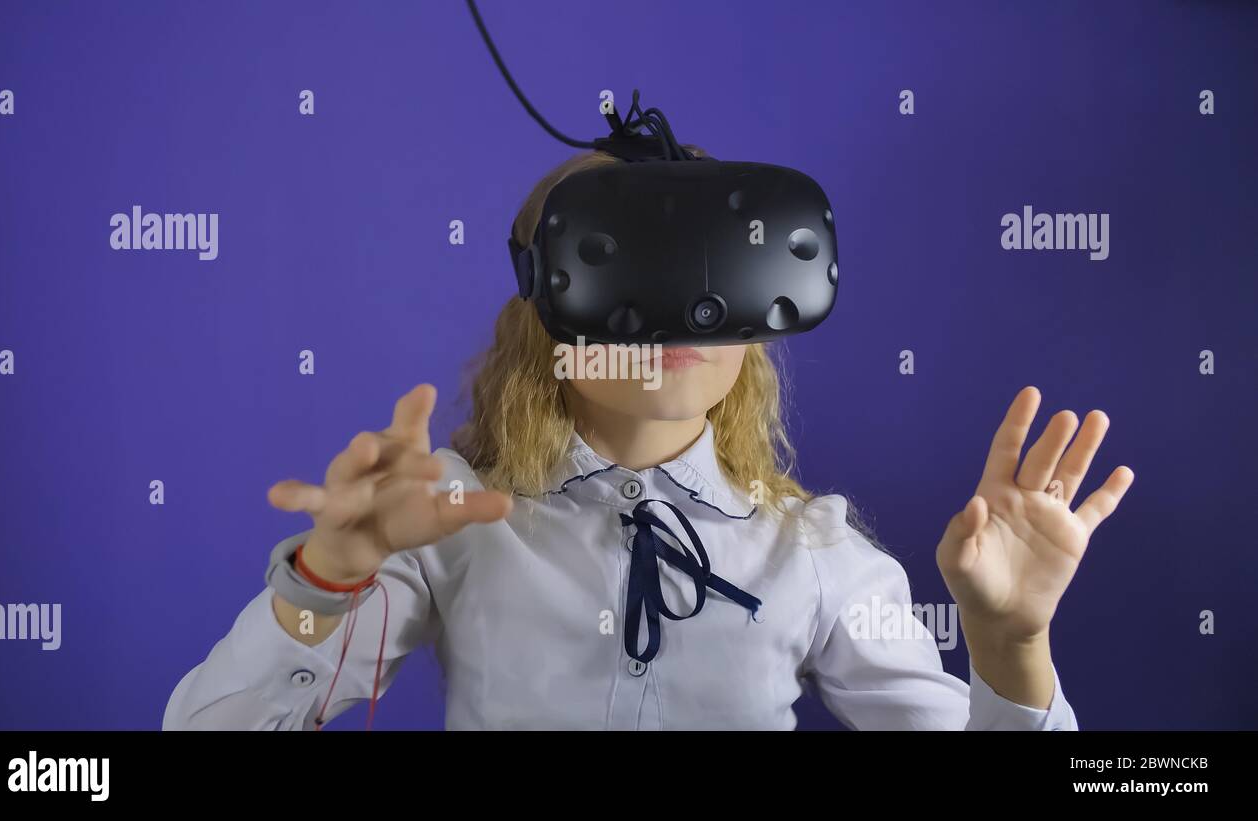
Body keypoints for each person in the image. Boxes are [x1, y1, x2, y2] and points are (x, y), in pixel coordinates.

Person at [163, 148, 1134, 730]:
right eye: (627, 273)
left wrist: (1011, 644)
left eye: (704, 277)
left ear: (755, 321)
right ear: (544, 307)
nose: (672, 320)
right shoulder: (449, 517)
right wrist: (328, 574)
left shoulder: (817, 554)